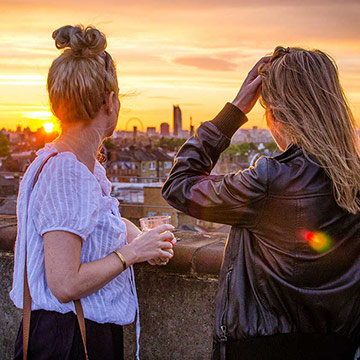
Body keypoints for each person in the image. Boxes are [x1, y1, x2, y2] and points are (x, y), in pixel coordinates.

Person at [162, 46, 360, 360]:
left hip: (262, 348)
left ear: (278, 114)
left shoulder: (270, 180)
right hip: (339, 348)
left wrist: (237, 109)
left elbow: (179, 185)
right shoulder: (355, 178)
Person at [11, 24, 175, 360]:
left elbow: (99, 220)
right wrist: (132, 254)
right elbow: (65, 284)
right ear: (110, 101)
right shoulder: (68, 173)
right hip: (70, 339)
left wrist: (144, 240)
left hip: (70, 333)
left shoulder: (72, 165)